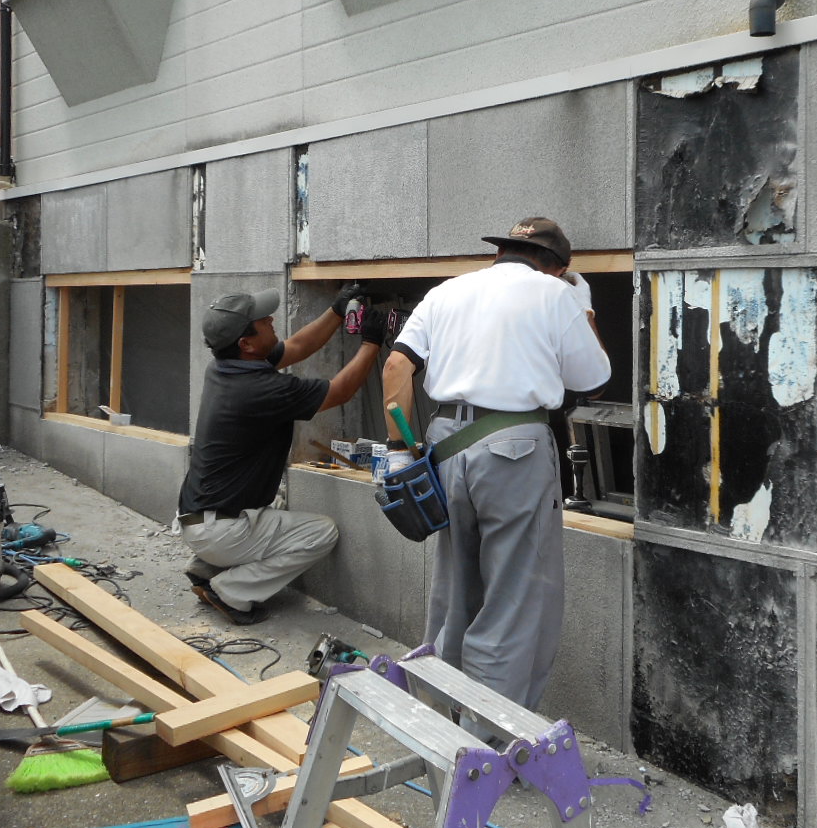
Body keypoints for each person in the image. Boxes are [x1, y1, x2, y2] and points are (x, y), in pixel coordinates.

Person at [381, 217, 610, 709]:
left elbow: (397, 365)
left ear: (500, 253)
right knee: (513, 602)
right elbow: (592, 380)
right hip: (513, 448)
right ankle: (488, 736)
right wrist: (583, 308)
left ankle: (438, 716)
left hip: (445, 445)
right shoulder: (556, 294)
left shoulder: (446, 292)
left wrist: (399, 451)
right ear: (557, 267)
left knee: (454, 591)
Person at [179, 284, 386, 625]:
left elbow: (298, 346)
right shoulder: (259, 389)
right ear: (246, 343)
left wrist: (336, 311)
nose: (271, 319)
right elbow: (340, 391)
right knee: (322, 532)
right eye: (263, 321)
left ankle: (207, 567)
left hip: (200, 519)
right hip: (221, 530)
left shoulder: (226, 366)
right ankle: (231, 590)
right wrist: (372, 343)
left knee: (274, 505)